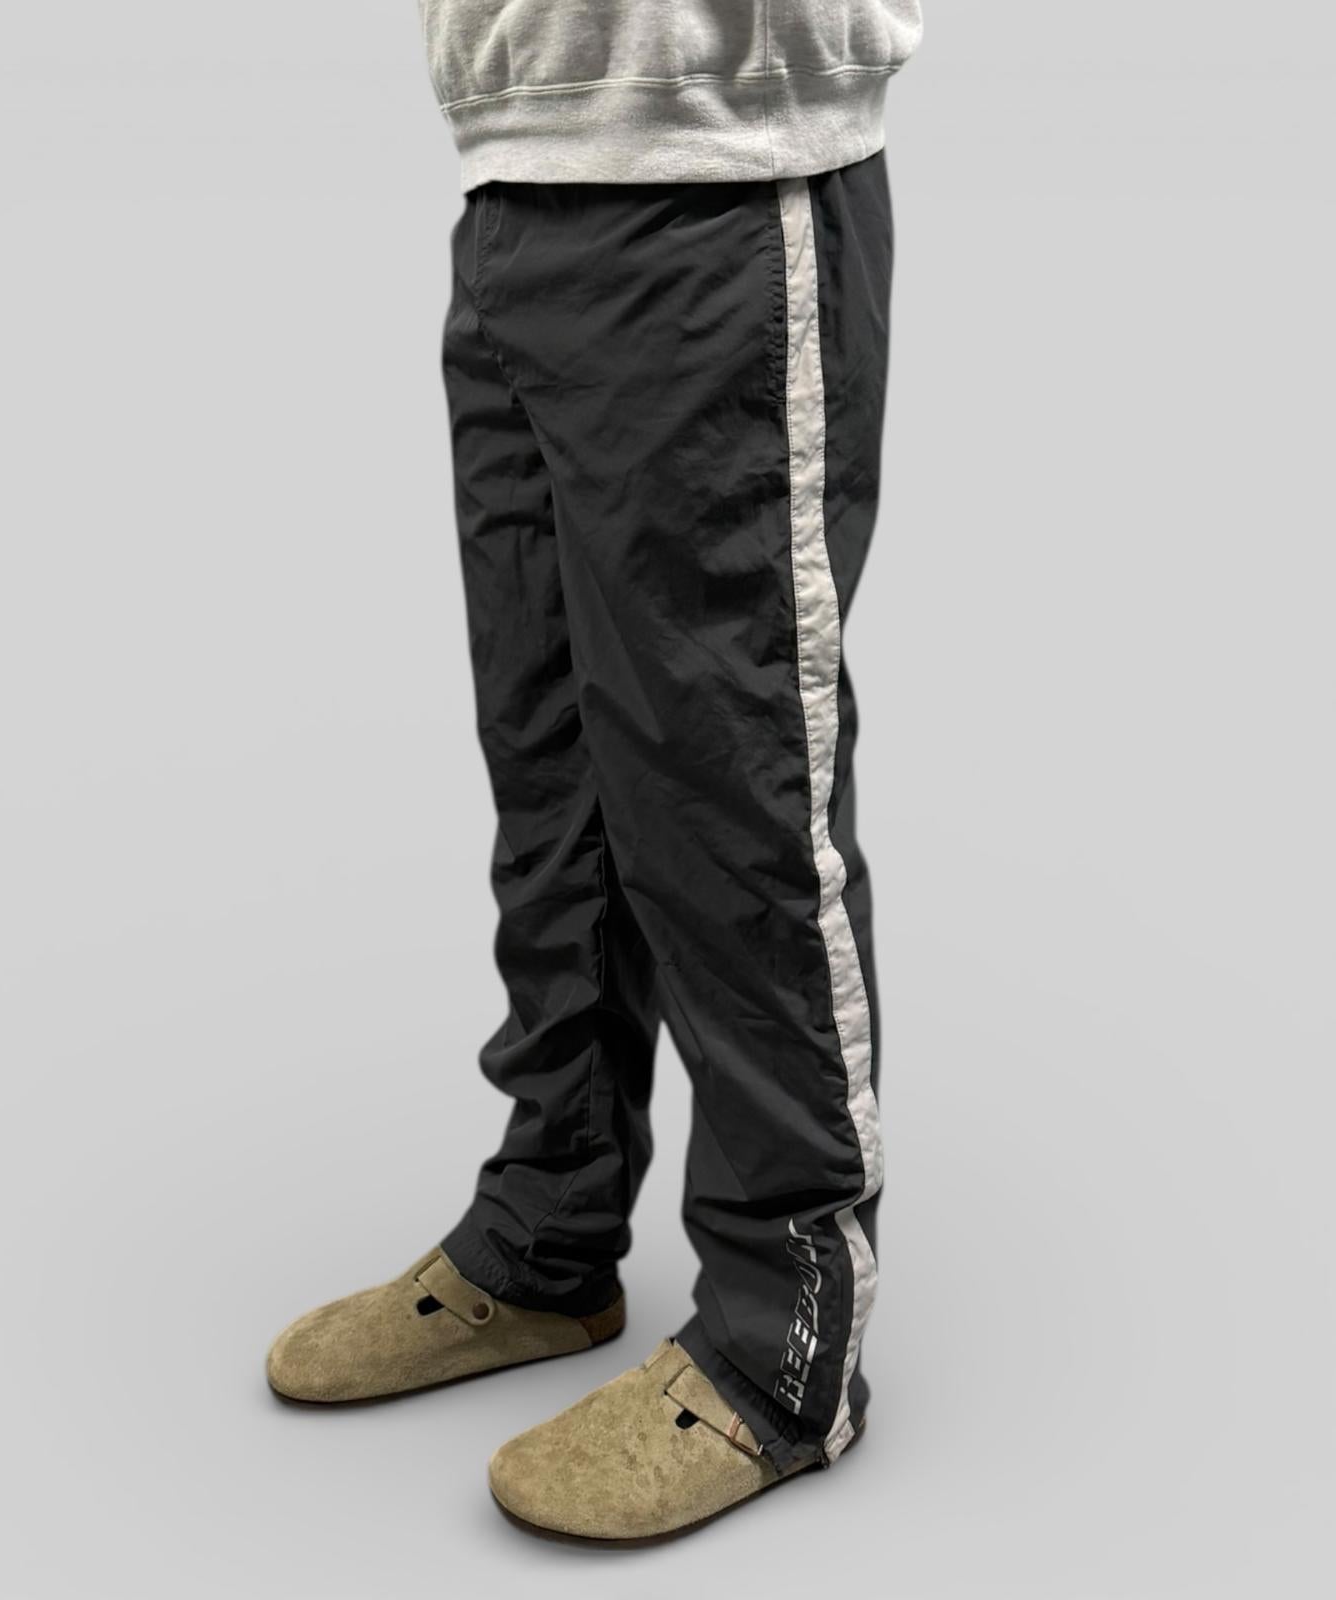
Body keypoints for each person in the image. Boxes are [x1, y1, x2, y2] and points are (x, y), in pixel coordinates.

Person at [265, 0, 921, 1543]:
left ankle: (783, 1348)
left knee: (730, 787)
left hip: (720, 169)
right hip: (515, 166)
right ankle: (549, 1231)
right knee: (553, 768)